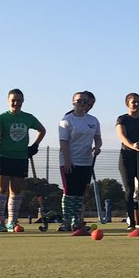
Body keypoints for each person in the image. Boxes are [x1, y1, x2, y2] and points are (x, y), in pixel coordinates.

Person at [0, 89, 46, 232]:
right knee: (1, 190)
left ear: (23, 101)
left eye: (19, 100)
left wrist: (34, 145)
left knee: (15, 190)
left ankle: (12, 222)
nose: (16, 103)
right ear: (8, 100)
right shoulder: (1, 118)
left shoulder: (28, 117)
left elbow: (42, 130)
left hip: (21, 158)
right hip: (4, 157)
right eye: (13, 100)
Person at [58, 90, 102, 234]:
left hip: (86, 162)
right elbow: (63, 142)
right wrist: (68, 161)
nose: (83, 104)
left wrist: (98, 147)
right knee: (69, 193)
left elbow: (97, 138)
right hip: (70, 162)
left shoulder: (93, 120)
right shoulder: (67, 120)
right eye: (79, 101)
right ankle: (66, 222)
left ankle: (77, 221)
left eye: (85, 101)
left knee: (80, 193)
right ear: (73, 102)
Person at [116, 93, 139, 231]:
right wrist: (133, 146)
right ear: (127, 103)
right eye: (133, 102)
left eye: (138, 102)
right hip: (126, 157)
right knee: (129, 189)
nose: (136, 104)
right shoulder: (122, 119)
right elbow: (122, 136)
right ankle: (131, 221)